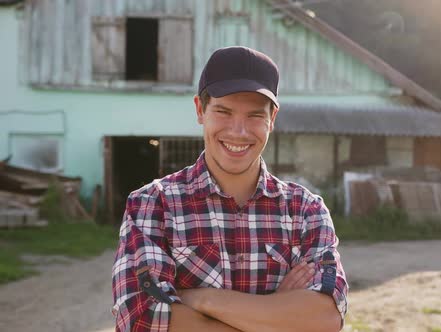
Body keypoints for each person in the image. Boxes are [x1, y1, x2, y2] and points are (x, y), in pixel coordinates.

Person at [111, 46, 348, 332]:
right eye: (224, 111)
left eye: (255, 116)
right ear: (200, 109)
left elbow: (324, 319)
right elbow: (143, 321)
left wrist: (203, 300)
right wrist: (276, 315)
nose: (239, 131)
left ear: (272, 118)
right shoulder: (153, 204)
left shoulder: (306, 210)